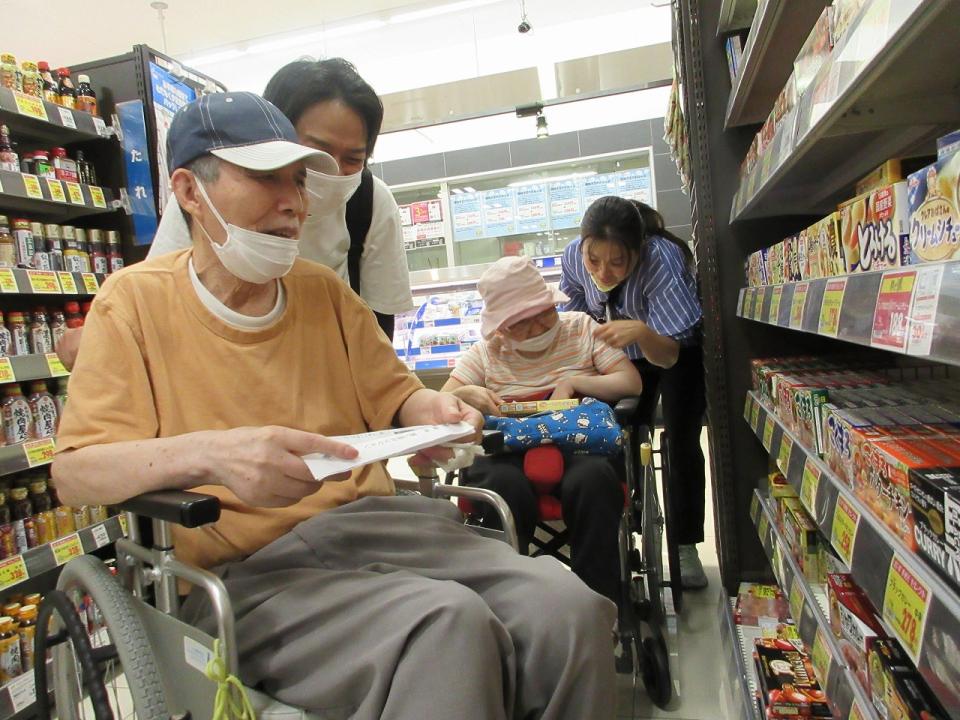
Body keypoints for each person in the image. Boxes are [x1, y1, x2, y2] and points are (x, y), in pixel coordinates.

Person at [51, 91, 616, 720]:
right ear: (188, 190)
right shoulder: (131, 304)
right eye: (266, 178)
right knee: (446, 628)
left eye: (298, 180)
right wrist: (213, 453)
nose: (294, 202)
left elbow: (398, 396)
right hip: (252, 572)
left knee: (569, 608)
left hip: (386, 528)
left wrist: (432, 413)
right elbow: (76, 471)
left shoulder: (323, 292)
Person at [55, 58, 411, 369]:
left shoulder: (368, 208)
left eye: (353, 159)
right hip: (217, 366)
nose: (332, 172)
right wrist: (109, 339)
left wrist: (381, 396)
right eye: (316, 151)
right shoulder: (207, 202)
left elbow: (380, 323)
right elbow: (161, 298)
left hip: (327, 369)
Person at [441, 257, 643, 602]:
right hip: (507, 448)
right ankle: (505, 599)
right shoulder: (486, 352)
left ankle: (598, 603)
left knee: (593, 481)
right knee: (501, 486)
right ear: (500, 327)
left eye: (544, 315)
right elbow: (442, 400)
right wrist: (464, 393)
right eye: (521, 323)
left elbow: (631, 383)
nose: (537, 328)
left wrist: (575, 381)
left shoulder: (580, 327)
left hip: (579, 443)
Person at [560, 195, 709, 590]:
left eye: (617, 262)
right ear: (583, 246)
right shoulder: (574, 256)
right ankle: (627, 512)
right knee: (615, 429)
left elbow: (671, 354)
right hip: (620, 354)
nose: (603, 271)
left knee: (680, 437)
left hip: (673, 349)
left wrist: (641, 332)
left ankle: (685, 545)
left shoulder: (661, 261)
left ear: (637, 252)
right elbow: (576, 311)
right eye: (595, 260)